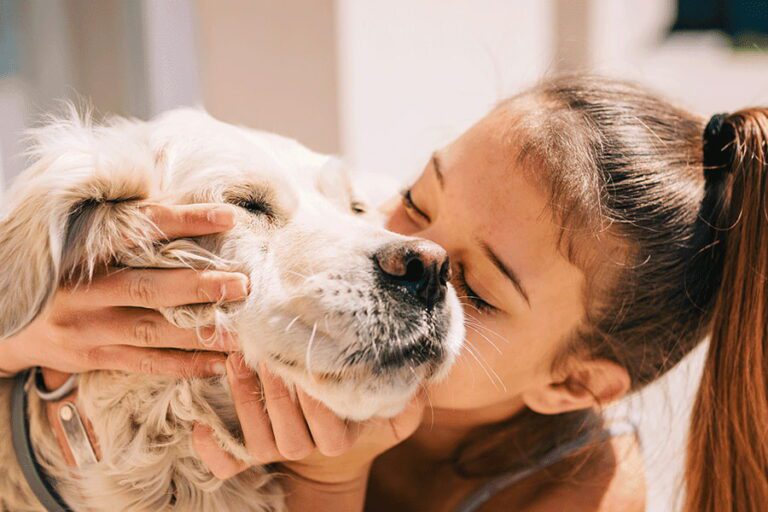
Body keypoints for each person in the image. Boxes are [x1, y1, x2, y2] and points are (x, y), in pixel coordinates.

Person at [4, 75, 767, 511]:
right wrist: (19, 328)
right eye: (420, 199)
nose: (413, 258)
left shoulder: (581, 492)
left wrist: (329, 480)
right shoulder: (364, 232)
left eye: (479, 287)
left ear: (570, 383)